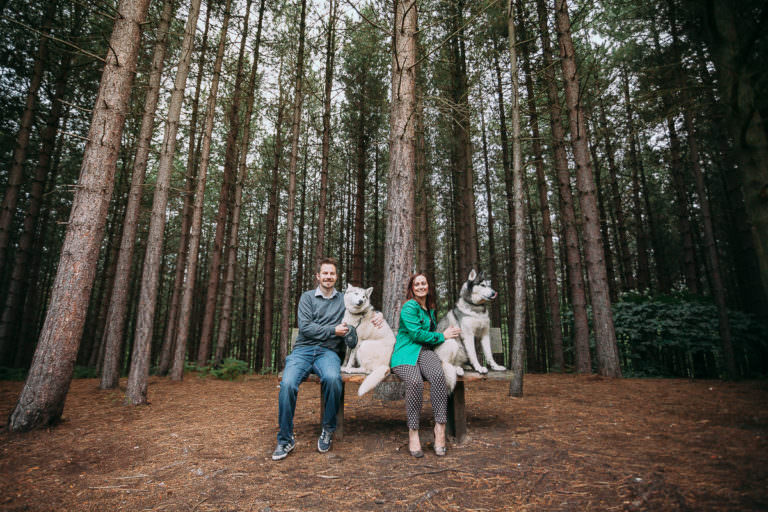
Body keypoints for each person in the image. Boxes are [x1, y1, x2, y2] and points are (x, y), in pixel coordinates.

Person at [272, 257, 382, 461]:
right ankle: (285, 439)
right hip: (303, 351)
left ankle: (328, 430)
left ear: (336, 277)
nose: (328, 277)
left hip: (328, 352)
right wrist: (332, 330)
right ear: (318, 276)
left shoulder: (344, 299)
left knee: (333, 380)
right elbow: (305, 328)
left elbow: (364, 309)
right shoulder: (307, 298)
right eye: (325, 273)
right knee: (287, 384)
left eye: (332, 273)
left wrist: (378, 316)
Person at [390, 273, 462, 457]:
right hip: (405, 354)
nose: (421, 286)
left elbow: (428, 339)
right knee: (415, 382)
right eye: (417, 284)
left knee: (438, 376)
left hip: (424, 353)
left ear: (428, 286)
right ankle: (413, 432)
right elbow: (417, 335)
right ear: (412, 288)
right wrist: (443, 336)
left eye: (424, 283)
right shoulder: (409, 307)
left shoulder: (429, 309)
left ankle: (440, 428)